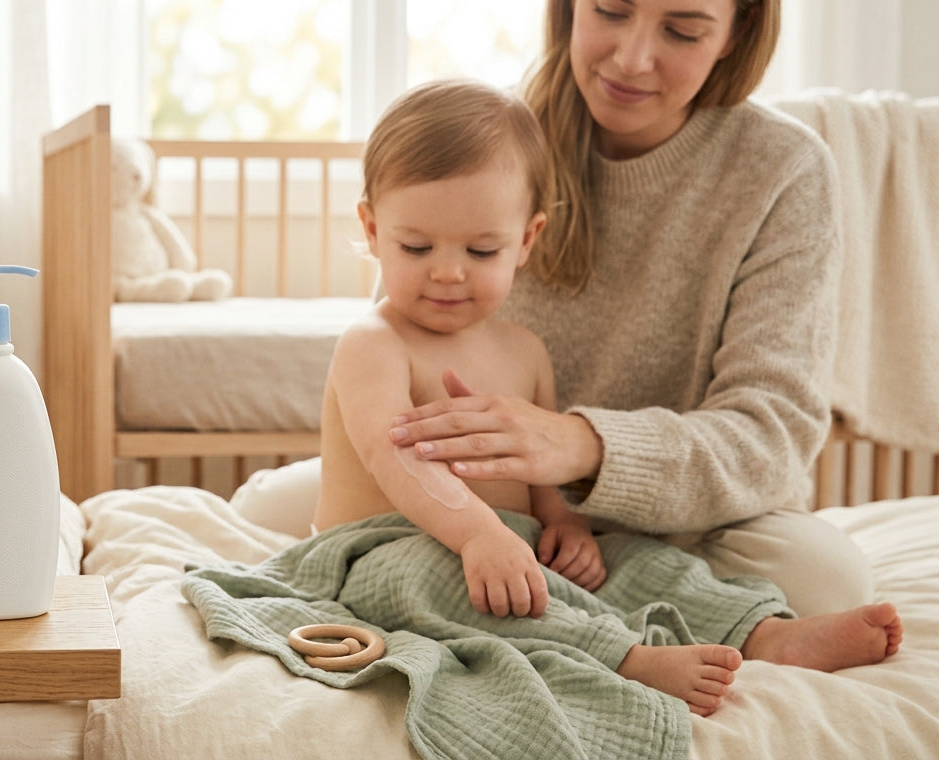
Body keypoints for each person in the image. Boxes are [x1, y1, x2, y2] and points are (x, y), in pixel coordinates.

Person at [234, 0, 866, 618]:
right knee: (259, 514)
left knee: (824, 582)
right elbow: (406, 346)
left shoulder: (785, 169)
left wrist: (581, 448)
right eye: (611, 12)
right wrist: (482, 526)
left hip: (678, 519)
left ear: (736, 31)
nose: (631, 59)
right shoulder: (491, 135)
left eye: (681, 31)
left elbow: (771, 437)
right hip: (462, 506)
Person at [316, 77, 900, 717]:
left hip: (507, 540)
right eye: (416, 246)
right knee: (444, 582)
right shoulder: (373, 341)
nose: (448, 270)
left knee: (631, 562)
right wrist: (480, 537)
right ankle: (626, 657)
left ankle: (762, 632)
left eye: (482, 250)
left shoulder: (522, 351)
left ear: (527, 241)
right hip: (384, 549)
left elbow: (538, 480)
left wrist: (567, 529)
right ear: (372, 230)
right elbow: (393, 456)